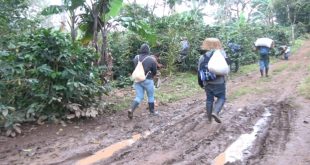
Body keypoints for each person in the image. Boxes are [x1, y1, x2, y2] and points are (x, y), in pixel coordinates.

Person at [198, 38, 228, 123]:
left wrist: (201, 83)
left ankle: (209, 119)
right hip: (220, 81)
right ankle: (215, 112)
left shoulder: (202, 57)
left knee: (209, 99)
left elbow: (199, 71)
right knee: (222, 97)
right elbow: (226, 68)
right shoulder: (222, 54)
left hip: (207, 82)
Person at [128, 43, 158, 120]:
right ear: (148, 50)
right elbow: (154, 71)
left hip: (137, 80)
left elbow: (134, 68)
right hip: (148, 80)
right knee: (150, 96)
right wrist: (152, 76)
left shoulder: (136, 57)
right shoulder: (151, 59)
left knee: (139, 96)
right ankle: (152, 112)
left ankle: (131, 109)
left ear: (140, 49)